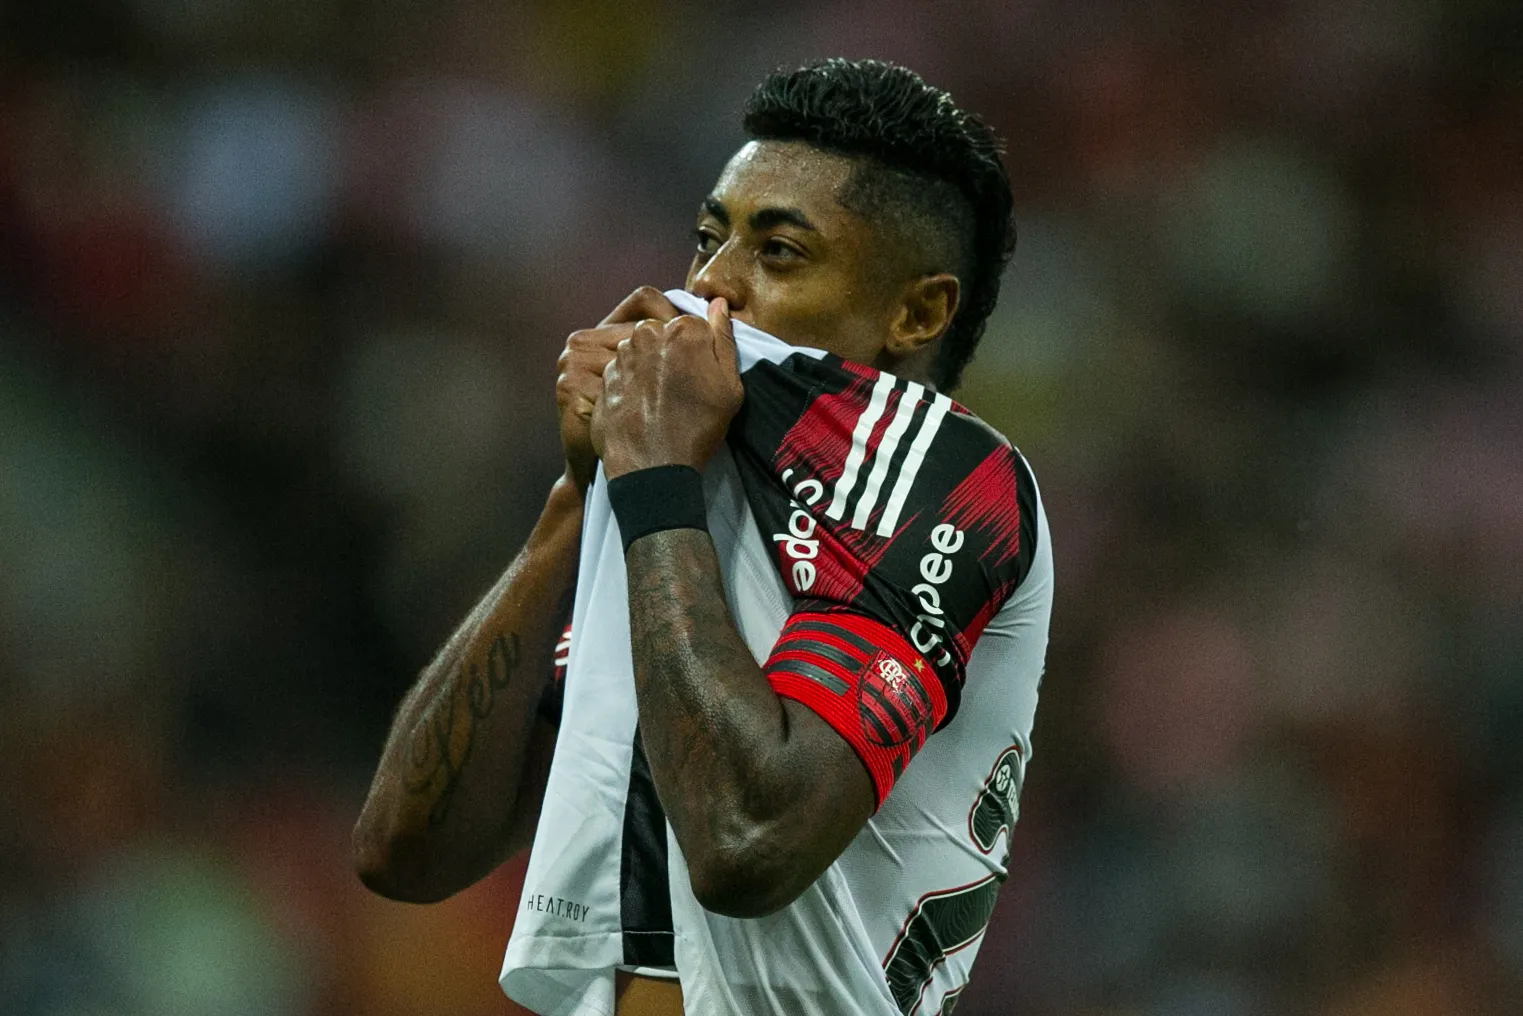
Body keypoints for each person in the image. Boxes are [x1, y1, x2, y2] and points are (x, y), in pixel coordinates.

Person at [354, 58, 1052, 1016]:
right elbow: (407, 852)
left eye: (778, 255)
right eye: (707, 240)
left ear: (917, 312)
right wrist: (577, 493)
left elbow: (746, 842)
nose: (709, 291)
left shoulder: (954, 478)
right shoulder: (681, 488)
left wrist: (653, 485)